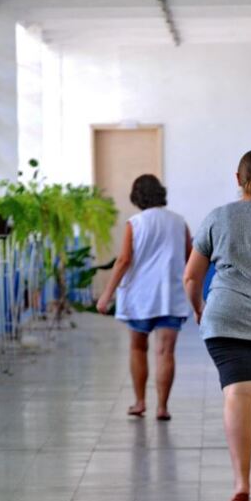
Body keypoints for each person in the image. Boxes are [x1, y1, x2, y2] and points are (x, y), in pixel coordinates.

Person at [183, 150, 251, 501]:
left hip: (225, 318)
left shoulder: (219, 217)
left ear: (237, 178)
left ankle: (241, 483)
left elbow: (191, 275)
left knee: (237, 394)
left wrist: (199, 308)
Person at [96, 175, 191, 421]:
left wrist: (107, 294)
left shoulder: (135, 223)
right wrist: (198, 299)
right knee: (165, 352)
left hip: (140, 298)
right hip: (170, 297)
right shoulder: (179, 222)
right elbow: (192, 260)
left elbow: (124, 260)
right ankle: (162, 407)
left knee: (138, 348)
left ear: (137, 197)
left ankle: (139, 402)